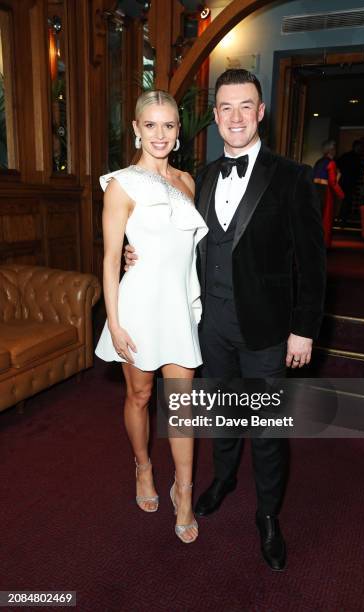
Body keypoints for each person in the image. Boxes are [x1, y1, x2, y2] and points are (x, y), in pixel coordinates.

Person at [125, 69, 326, 571]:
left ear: (261, 112)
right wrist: (137, 256)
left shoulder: (293, 176)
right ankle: (222, 479)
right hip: (207, 324)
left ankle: (267, 518)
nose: (236, 117)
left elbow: (312, 261)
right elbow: (176, 240)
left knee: (266, 429)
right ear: (215, 117)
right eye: (226, 108)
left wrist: (302, 329)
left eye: (246, 107)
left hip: (266, 329)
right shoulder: (201, 176)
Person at [95, 90, 208, 544]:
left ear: (178, 133)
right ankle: (143, 467)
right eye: (151, 125)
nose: (160, 134)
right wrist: (115, 322)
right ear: (137, 129)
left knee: (181, 406)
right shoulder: (121, 184)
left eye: (169, 126)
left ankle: (184, 492)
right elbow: (108, 259)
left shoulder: (187, 183)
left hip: (179, 306)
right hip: (138, 306)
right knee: (140, 396)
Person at [313, 140, 344, 247]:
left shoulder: (318, 161)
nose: (335, 151)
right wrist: (341, 195)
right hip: (325, 192)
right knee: (325, 219)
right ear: (331, 150)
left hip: (315, 190)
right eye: (334, 149)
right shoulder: (331, 163)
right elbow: (332, 182)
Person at [337, 140, 363, 225]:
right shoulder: (357, 158)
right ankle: (343, 218)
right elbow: (357, 173)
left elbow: (338, 165)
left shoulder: (346, 156)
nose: (360, 149)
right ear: (356, 147)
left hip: (343, 182)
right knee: (347, 201)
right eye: (359, 147)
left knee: (343, 200)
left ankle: (340, 217)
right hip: (349, 183)